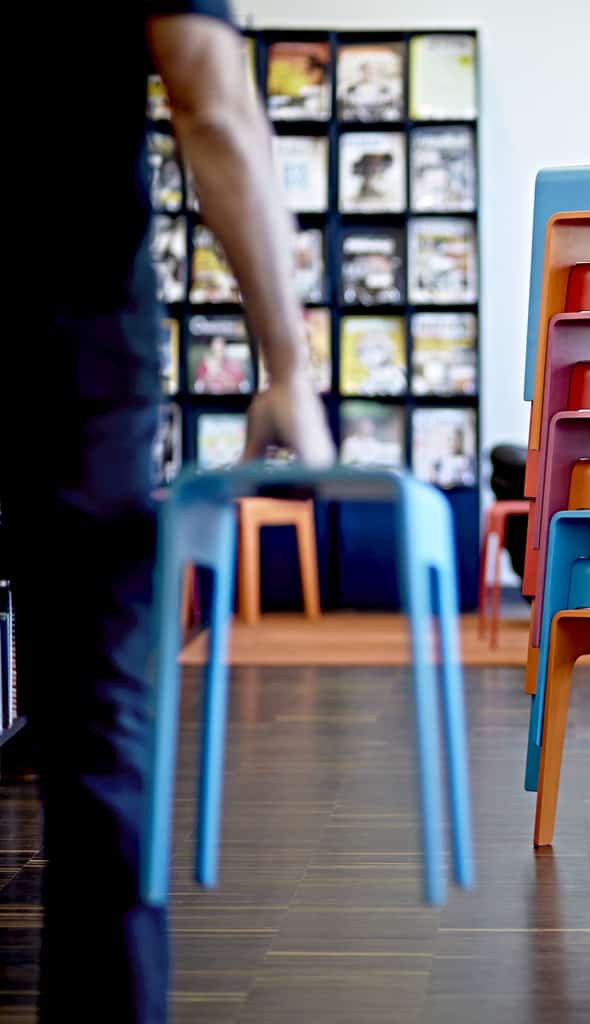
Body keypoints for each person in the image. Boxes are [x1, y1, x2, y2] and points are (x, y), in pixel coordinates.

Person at [2, 4, 334, 1021]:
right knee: (97, 743)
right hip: (65, 324)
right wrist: (287, 366)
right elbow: (211, 99)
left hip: (71, 333)